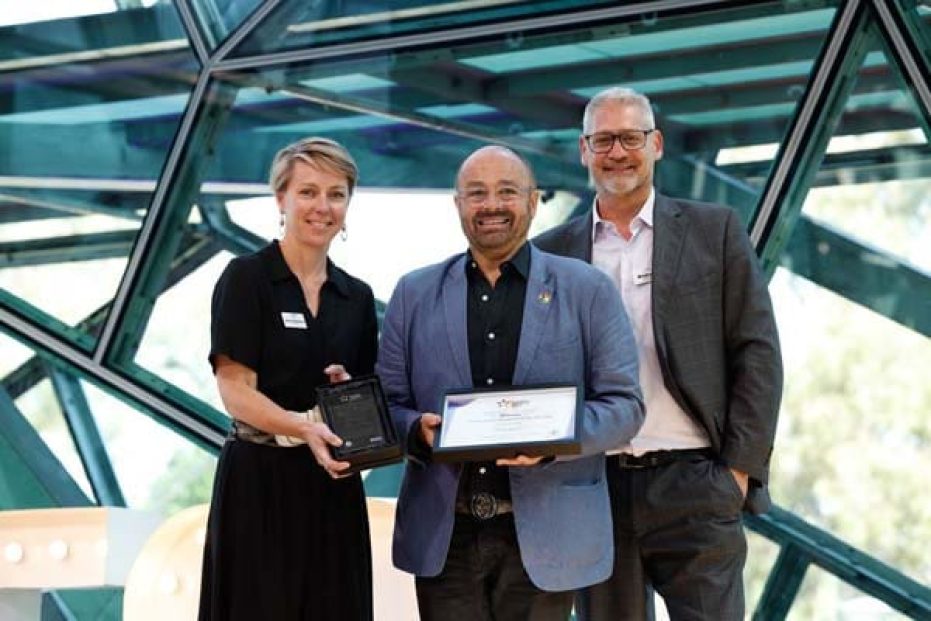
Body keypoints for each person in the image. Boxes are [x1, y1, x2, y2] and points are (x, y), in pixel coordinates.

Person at [534, 86, 784, 620]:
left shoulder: (712, 230)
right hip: (593, 488)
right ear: (583, 150)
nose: (617, 152)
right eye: (604, 140)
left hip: (695, 482)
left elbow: (757, 354)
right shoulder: (550, 254)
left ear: (657, 144)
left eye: (630, 138)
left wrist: (735, 473)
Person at [376, 145, 645, 621]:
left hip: (547, 535)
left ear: (534, 201)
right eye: (476, 193)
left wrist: (553, 441)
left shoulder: (587, 290)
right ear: (458, 204)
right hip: (446, 539)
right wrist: (418, 430)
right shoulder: (412, 294)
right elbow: (388, 406)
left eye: (507, 192)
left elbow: (625, 408)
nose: (491, 205)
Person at [198, 137, 377, 620]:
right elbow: (235, 391)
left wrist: (348, 395)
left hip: (332, 490)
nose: (323, 207)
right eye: (308, 192)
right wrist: (302, 426)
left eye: (336, 194)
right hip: (259, 482)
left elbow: (365, 403)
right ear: (281, 198)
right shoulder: (246, 279)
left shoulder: (356, 297)